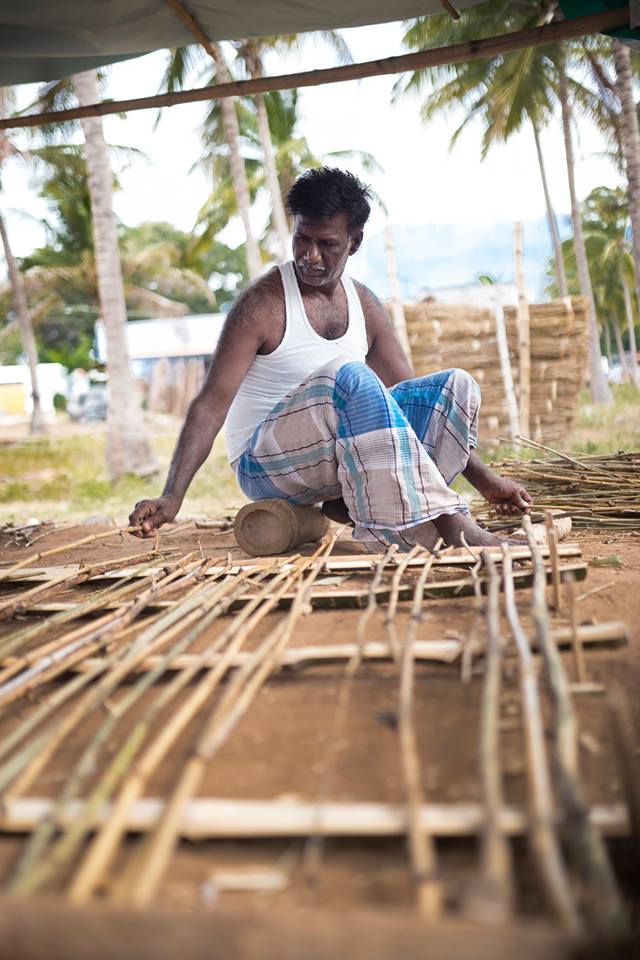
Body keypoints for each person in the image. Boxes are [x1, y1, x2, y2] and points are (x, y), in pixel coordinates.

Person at [130, 167, 531, 548]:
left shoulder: (365, 305)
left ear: (354, 242)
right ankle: (452, 525)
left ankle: (358, 502)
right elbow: (210, 405)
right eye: (303, 239)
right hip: (264, 465)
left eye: (327, 244)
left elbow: (410, 418)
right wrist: (172, 494)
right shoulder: (263, 304)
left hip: (334, 461)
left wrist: (486, 480)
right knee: (347, 376)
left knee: (450, 388)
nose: (310, 255)